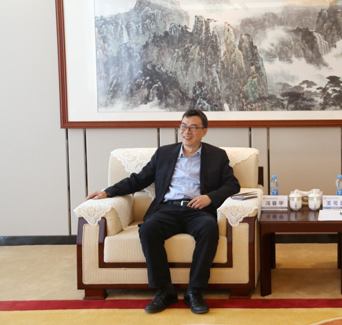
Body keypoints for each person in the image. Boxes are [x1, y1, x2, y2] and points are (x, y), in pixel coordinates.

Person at [85, 109, 240, 315]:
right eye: (183, 126)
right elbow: (139, 179)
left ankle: (194, 291)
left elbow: (232, 184)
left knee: (209, 229)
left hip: (198, 210)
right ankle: (165, 291)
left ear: (204, 131)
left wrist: (209, 197)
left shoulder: (217, 156)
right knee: (148, 229)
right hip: (167, 208)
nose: (187, 132)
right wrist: (107, 191)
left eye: (193, 127)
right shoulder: (164, 153)